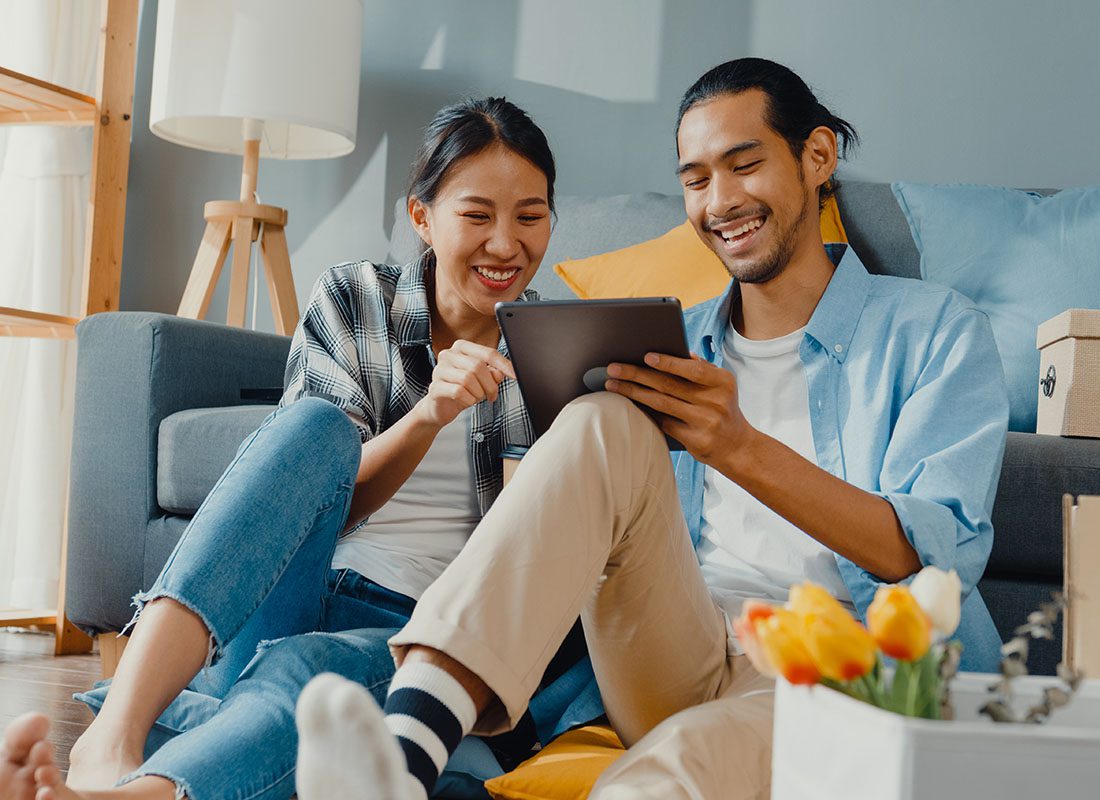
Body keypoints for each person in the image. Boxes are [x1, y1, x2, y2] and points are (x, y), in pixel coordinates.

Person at [283, 58, 1010, 800]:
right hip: (673, 651)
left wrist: (737, 446)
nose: (720, 202)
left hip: (838, 672)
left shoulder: (934, 330)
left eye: (745, 165)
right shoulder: (671, 345)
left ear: (817, 157)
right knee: (602, 419)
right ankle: (404, 757)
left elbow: (933, 555)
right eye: (696, 180)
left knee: (669, 769)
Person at [1, 96, 604, 800]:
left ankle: (155, 781)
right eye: (477, 215)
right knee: (313, 428)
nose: (506, 244)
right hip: (300, 589)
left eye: (530, 217)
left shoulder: (557, 351)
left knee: (309, 679)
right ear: (422, 218)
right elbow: (323, 495)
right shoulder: (355, 299)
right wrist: (428, 416)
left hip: (427, 637)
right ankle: (116, 737)